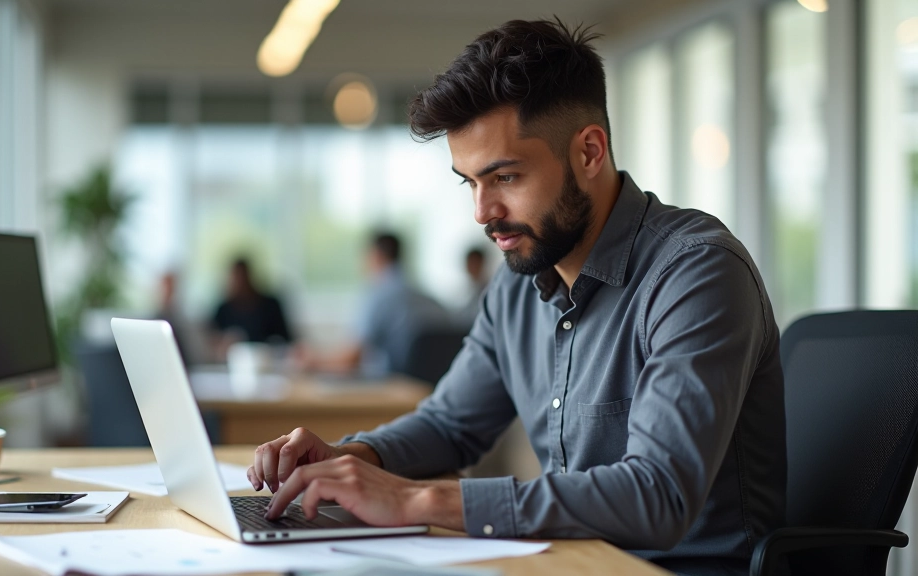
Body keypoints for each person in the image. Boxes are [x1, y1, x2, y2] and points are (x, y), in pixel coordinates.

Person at [249, 20, 785, 576]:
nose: (482, 213)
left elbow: (658, 495)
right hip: (568, 563)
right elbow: (450, 424)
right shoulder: (518, 282)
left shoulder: (696, 273)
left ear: (589, 152)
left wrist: (417, 500)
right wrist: (351, 460)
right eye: (469, 182)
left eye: (504, 177)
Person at [299, 232, 446, 376]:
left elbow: (351, 359)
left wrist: (314, 361)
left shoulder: (379, 294)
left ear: (376, 255)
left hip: (394, 388)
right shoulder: (426, 296)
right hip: (432, 389)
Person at [210, 259, 292, 346]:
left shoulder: (271, 306)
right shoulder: (223, 310)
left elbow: (285, 339)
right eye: (237, 278)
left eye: (243, 277)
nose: (241, 283)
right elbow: (214, 342)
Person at [456, 247, 490, 325]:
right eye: (470, 263)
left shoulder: (489, 289)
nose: (473, 266)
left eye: (475, 263)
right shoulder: (464, 291)